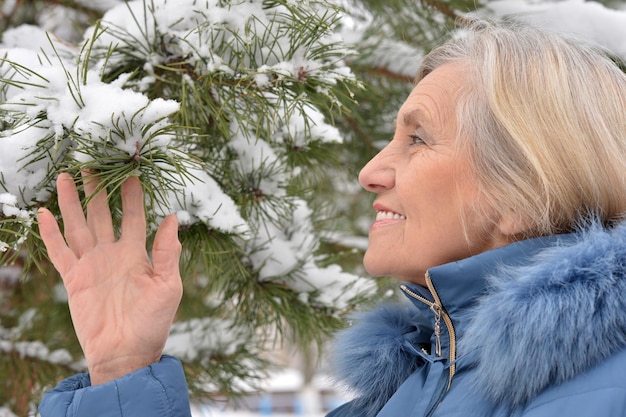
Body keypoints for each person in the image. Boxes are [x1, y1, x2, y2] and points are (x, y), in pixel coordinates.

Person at [37, 18, 626, 416]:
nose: (371, 170)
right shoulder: (411, 389)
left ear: (523, 189)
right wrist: (123, 369)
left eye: (418, 139)